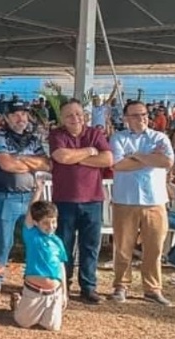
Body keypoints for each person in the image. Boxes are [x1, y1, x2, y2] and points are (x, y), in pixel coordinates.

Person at [109, 100, 175, 306]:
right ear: (126, 118)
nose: (142, 118)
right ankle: (121, 285)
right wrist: (149, 158)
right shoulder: (118, 138)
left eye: (144, 114)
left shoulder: (160, 137)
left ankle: (152, 288)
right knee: (123, 247)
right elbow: (118, 165)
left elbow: (166, 162)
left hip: (155, 201)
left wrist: (136, 156)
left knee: (154, 247)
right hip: (125, 201)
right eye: (136, 115)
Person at [49, 99, 113, 303]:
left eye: (77, 114)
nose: (74, 118)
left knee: (90, 246)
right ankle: (63, 283)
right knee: (64, 245)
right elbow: (60, 157)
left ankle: (88, 286)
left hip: (92, 198)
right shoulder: (57, 134)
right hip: (64, 199)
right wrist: (89, 152)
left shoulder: (94, 133)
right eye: (69, 115)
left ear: (84, 115)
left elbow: (107, 160)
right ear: (62, 118)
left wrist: (75, 158)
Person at [0, 100, 51, 270]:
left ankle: (32, 281)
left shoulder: (33, 139)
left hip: (31, 196)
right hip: (6, 196)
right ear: (6, 118)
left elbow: (47, 164)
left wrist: (20, 159)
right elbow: (6, 165)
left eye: (23, 114)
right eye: (15, 114)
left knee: (34, 240)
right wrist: (31, 163)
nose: (20, 118)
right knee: (4, 244)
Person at [13, 178, 67, 331]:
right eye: (45, 223)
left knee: (53, 327)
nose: (50, 227)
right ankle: (18, 303)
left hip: (53, 293)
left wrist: (64, 293)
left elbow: (61, 266)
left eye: (53, 222)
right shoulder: (32, 236)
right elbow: (30, 213)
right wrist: (38, 191)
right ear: (36, 223)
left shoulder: (57, 242)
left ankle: (41, 309)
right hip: (34, 290)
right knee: (23, 323)